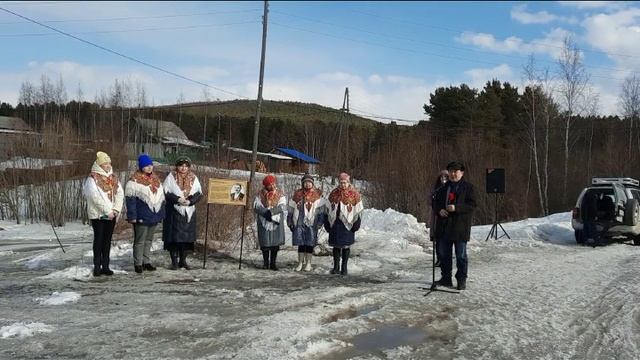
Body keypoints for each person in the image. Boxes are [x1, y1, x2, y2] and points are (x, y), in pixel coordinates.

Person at [433, 161, 476, 290]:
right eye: (451, 171)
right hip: (445, 227)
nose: (452, 174)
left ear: (461, 173)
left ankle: (461, 280)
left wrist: (456, 208)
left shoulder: (468, 188)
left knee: (461, 255)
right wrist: (439, 210)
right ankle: (446, 278)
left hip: (460, 227)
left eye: (455, 171)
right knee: (444, 255)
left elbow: (472, 205)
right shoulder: (443, 188)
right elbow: (435, 203)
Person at [83, 151, 124, 277]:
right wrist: (108, 211)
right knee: (99, 239)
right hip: (98, 215)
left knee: (107, 240)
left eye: (108, 163)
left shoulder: (113, 178)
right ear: (99, 164)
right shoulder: (92, 178)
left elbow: (119, 194)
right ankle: (97, 265)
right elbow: (94, 197)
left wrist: (116, 210)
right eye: (104, 163)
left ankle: (106, 265)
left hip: (112, 214)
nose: (107, 165)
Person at [125, 154, 166, 274]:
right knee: (140, 240)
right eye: (146, 166)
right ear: (141, 167)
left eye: (150, 165)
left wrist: (161, 214)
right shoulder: (134, 181)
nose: (149, 168)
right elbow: (130, 200)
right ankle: (138, 263)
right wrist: (132, 216)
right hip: (141, 215)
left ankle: (146, 261)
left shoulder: (156, 180)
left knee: (149, 240)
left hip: (153, 215)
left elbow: (161, 199)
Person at [162, 156, 203, 270]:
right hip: (174, 212)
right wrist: (177, 199)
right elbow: (165, 192)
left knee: (186, 239)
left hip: (188, 212)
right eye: (181, 165)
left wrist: (190, 201)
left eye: (186, 166)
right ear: (177, 166)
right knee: (174, 238)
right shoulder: (171, 177)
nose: (183, 168)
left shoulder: (193, 178)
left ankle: (183, 261)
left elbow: (199, 193)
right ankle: (174, 261)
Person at [324, 172, 364, 276]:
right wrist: (327, 222)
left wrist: (357, 223)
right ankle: (336, 267)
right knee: (336, 246)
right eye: (341, 182)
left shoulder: (355, 194)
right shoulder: (334, 193)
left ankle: (344, 268)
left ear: (348, 182)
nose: (343, 185)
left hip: (348, 224)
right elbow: (327, 208)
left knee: (346, 246)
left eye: (345, 182)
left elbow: (358, 210)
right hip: (335, 223)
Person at [287, 173, 327, 272]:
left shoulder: (317, 195)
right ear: (302, 183)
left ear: (312, 183)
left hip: (312, 222)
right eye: (305, 182)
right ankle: (300, 263)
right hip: (299, 221)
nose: (307, 184)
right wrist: (290, 220)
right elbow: (291, 208)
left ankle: (308, 263)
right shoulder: (297, 194)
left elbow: (321, 210)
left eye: (309, 182)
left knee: (309, 243)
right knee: (301, 243)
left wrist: (320, 222)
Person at [254, 174, 286, 270]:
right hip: (264, 220)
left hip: (275, 220)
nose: (272, 186)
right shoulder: (260, 194)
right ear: (265, 185)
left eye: (273, 183)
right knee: (265, 244)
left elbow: (282, 206)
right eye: (269, 184)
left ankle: (273, 263)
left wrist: (271, 212)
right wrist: (265, 213)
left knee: (275, 244)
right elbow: (256, 206)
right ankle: (265, 263)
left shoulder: (280, 193)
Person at [430, 170, 449, 267]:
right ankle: (439, 258)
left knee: (446, 240)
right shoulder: (436, 190)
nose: (443, 179)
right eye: (442, 177)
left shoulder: (450, 188)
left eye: (445, 177)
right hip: (437, 216)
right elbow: (432, 202)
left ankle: (445, 259)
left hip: (448, 217)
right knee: (438, 239)